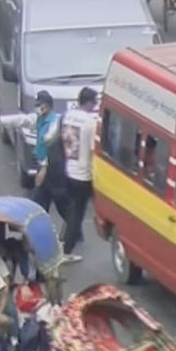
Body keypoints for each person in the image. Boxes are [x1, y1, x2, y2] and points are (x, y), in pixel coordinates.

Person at [0, 91, 65, 215]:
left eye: (40, 105)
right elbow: (21, 120)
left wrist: (44, 168)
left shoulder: (55, 122)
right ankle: (40, 223)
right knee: (38, 203)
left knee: (62, 203)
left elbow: (49, 142)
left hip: (54, 169)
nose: (37, 108)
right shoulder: (39, 118)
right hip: (44, 168)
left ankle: (72, 225)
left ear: (47, 105)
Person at [60, 86, 99, 263]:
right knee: (77, 214)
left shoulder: (67, 115)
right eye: (94, 102)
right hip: (83, 174)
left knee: (72, 210)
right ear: (89, 102)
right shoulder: (90, 123)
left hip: (69, 168)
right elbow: (92, 150)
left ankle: (63, 241)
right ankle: (66, 249)